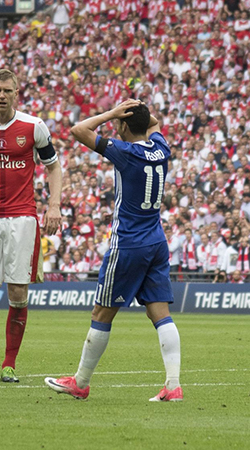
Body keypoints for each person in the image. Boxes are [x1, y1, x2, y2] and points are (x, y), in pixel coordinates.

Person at [45, 100, 183, 402]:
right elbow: (154, 124)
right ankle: (173, 385)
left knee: (101, 313)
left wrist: (112, 113)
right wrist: (137, 112)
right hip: (156, 241)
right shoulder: (161, 148)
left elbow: (79, 130)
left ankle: (80, 382)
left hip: (128, 244)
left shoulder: (126, 153)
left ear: (122, 125)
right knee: (160, 313)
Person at [0, 69, 62, 383]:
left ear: (17, 92)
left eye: (8, 90)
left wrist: (55, 205)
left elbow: (54, 166)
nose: (2, 95)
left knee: (18, 294)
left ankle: (9, 363)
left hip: (22, 217)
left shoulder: (34, 127)